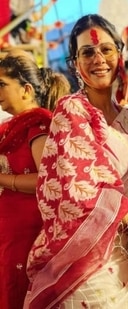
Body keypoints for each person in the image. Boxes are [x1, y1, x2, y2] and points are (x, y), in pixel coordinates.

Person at [24, 14, 128, 308]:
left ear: (119, 53)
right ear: (75, 62)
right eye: (87, 52)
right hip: (92, 254)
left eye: (106, 49)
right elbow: (86, 189)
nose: (98, 58)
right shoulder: (72, 110)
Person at [0, 48, 70, 309]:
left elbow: (47, 181)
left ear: (26, 89)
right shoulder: (14, 125)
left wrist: (3, 180)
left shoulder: (38, 125)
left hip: (28, 229)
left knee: (19, 292)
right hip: (11, 229)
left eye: (2, 85)